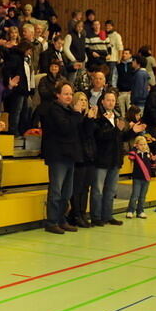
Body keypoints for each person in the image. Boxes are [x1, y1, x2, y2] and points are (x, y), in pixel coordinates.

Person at [91, 89, 143, 226]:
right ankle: (96, 216)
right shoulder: (98, 119)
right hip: (101, 159)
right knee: (98, 190)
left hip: (115, 159)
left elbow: (121, 138)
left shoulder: (117, 118)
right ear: (102, 101)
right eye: (108, 100)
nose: (111, 102)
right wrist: (117, 130)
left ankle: (108, 215)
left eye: (113, 100)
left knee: (111, 190)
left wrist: (132, 132)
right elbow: (101, 136)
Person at [39, 80, 85, 235]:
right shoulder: (54, 109)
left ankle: (61, 219)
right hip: (57, 155)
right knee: (56, 190)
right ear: (57, 94)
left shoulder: (69, 110)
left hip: (69, 155)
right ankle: (51, 221)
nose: (69, 96)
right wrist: (77, 114)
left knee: (67, 191)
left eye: (71, 94)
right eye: (65, 94)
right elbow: (65, 128)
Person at [67, 91, 97, 228]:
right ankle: (75, 214)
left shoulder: (87, 117)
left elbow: (91, 135)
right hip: (79, 157)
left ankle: (83, 213)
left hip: (89, 156)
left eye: (85, 100)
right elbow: (78, 134)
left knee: (86, 187)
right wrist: (85, 119)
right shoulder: (74, 116)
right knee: (77, 188)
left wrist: (91, 120)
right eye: (80, 100)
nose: (83, 102)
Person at [126, 135, 156, 219]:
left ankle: (140, 211)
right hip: (137, 178)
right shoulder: (135, 154)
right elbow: (130, 157)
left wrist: (153, 160)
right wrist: (134, 148)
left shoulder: (148, 154)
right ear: (136, 145)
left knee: (142, 196)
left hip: (146, 178)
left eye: (144, 144)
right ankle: (130, 210)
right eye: (140, 144)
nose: (143, 146)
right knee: (135, 195)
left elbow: (152, 166)